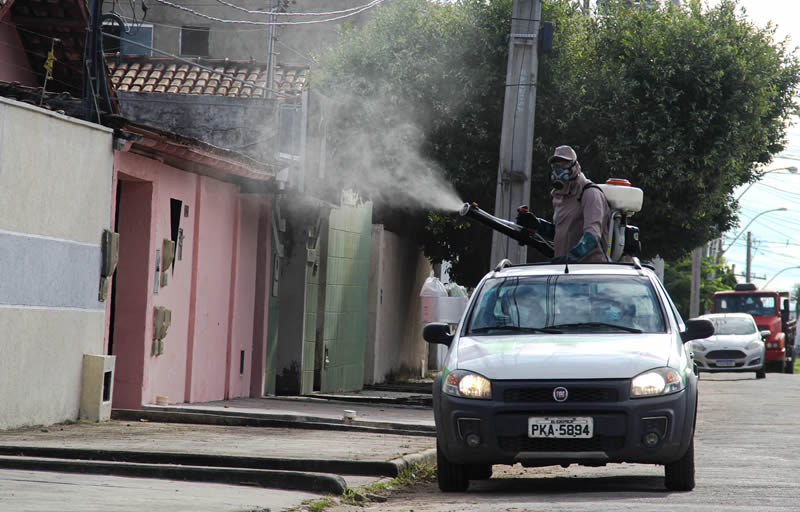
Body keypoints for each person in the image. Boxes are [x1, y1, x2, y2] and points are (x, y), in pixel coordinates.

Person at [516, 145, 610, 263]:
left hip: (590, 271)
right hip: (566, 271)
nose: (558, 170)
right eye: (555, 166)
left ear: (575, 167)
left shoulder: (590, 193)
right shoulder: (560, 196)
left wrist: (571, 258)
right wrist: (538, 225)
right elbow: (563, 232)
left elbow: (592, 235)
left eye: (563, 165)